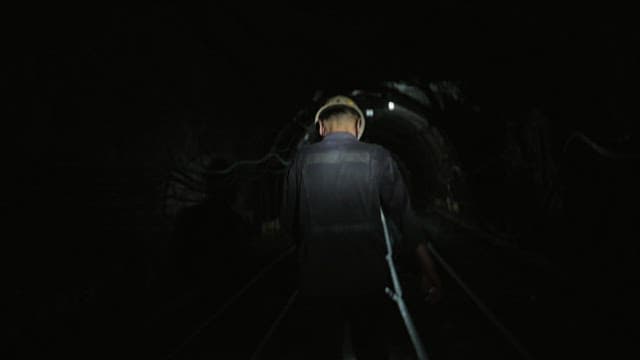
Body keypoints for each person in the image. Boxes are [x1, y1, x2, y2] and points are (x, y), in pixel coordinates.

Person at [280, 95, 442, 359]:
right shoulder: (378, 157)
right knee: (371, 348)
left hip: (318, 283)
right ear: (358, 128)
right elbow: (405, 219)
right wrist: (428, 269)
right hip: (368, 281)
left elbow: (289, 225)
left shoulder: (300, 161)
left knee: (323, 349)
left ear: (321, 127)